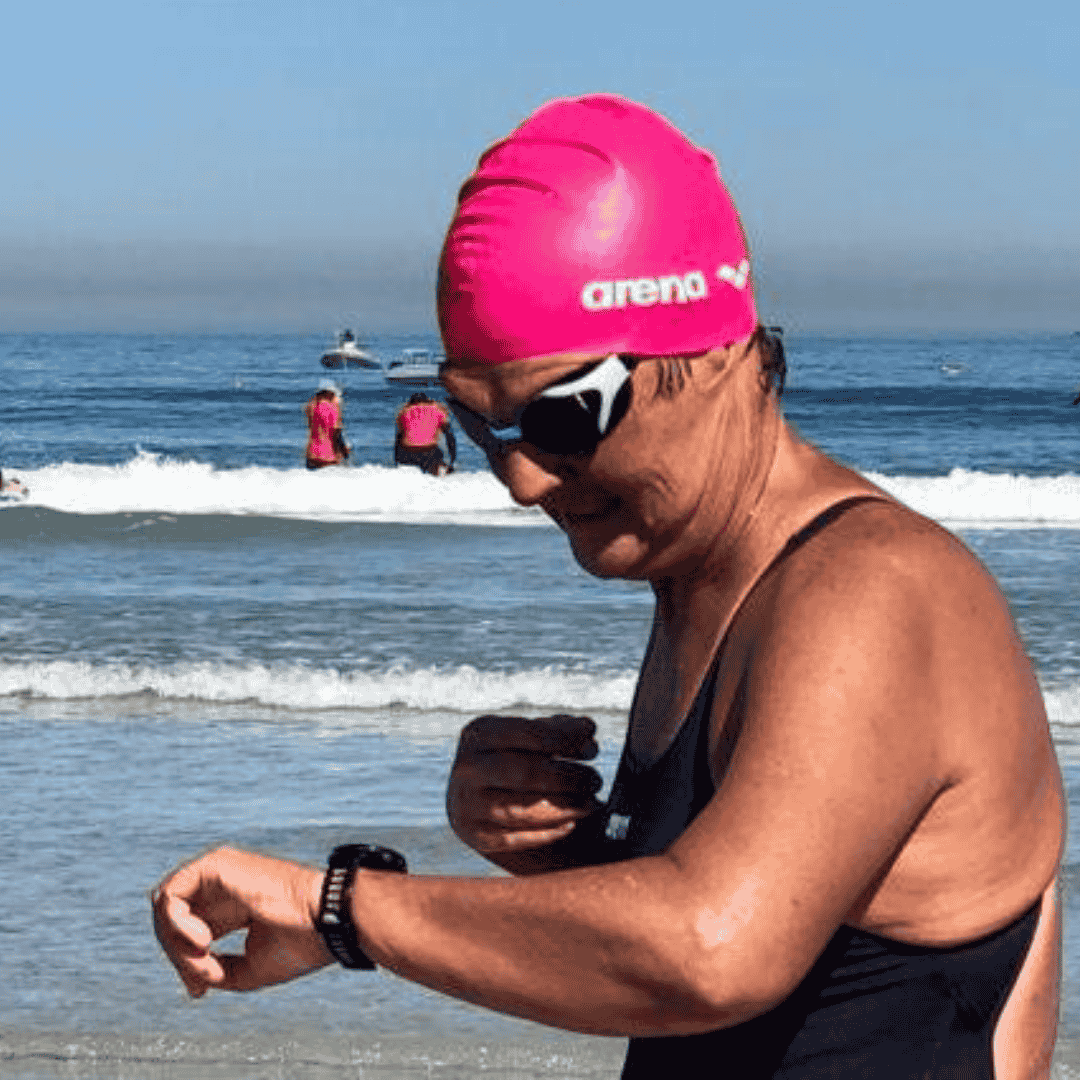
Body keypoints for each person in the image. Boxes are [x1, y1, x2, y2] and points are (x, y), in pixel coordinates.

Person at [153, 95, 1065, 1078]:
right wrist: (550, 853)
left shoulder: (874, 589)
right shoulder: (714, 577)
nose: (519, 477)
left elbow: (712, 952)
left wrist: (339, 910)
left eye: (565, 414)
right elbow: (788, 949)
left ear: (715, 350)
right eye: (477, 420)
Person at [394, 391, 457, 475]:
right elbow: (450, 436)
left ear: (411, 402)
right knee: (443, 474)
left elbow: (399, 438)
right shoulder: (438, 410)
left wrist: (397, 461)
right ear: (427, 401)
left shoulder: (404, 411)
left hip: (407, 452)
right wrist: (452, 461)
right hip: (429, 452)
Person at [304, 384, 348, 469]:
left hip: (312, 455)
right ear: (331, 395)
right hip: (328, 456)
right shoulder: (333, 408)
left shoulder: (311, 406)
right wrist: (344, 451)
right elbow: (337, 432)